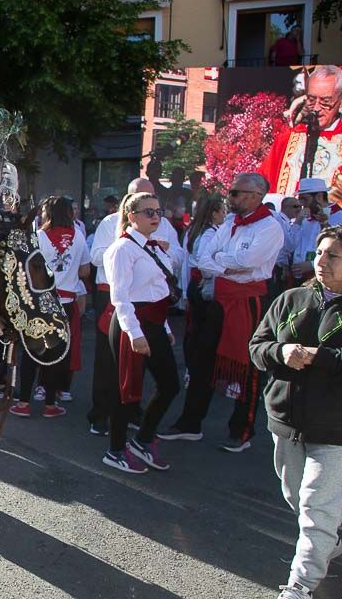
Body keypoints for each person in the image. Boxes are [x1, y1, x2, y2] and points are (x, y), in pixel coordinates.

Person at [250, 225, 342, 599]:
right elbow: (257, 348)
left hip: (334, 430)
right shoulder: (291, 298)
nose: (322, 261)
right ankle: (330, 538)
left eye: (334, 255)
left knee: (314, 507)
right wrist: (281, 351)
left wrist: (319, 358)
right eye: (320, 252)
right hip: (285, 423)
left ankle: (299, 588)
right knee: (297, 498)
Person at [158, 173, 283, 451]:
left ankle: (242, 431)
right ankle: (191, 423)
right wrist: (229, 264)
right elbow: (204, 258)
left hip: (248, 301)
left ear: (255, 195)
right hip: (219, 298)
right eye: (231, 191)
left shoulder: (269, 227)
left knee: (246, 364)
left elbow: (248, 261)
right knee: (202, 360)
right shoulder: (228, 224)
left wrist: (222, 261)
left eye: (236, 192)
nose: (230, 197)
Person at [87, 177, 184, 435]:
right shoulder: (112, 228)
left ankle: (133, 417)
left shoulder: (159, 228)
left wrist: (156, 249)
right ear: (129, 202)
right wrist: (131, 248)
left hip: (150, 308)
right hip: (116, 297)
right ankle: (101, 415)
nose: (154, 213)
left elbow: (175, 258)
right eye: (144, 202)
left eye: (156, 206)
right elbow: (98, 258)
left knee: (144, 373)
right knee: (111, 364)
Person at [100, 192, 181, 474]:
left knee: (170, 384)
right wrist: (135, 333)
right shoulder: (122, 249)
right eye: (149, 212)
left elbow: (157, 291)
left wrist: (165, 327)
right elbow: (120, 297)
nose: (156, 217)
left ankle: (143, 438)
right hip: (131, 323)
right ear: (132, 216)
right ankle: (116, 449)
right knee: (127, 390)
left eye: (159, 211)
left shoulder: (152, 247)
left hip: (154, 322)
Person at [10, 197, 89, 419]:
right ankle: (50, 404)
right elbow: (85, 272)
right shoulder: (80, 237)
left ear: (49, 213)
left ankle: (24, 402)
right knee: (57, 356)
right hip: (66, 304)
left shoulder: (39, 237)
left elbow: (26, 269)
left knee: (31, 353)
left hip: (40, 303)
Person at [260, 65, 342, 198]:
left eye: (325, 101)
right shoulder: (287, 140)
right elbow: (262, 184)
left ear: (340, 101)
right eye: (311, 99)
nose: (316, 108)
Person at [181, 194, 226, 373]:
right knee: (201, 330)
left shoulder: (199, 229)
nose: (224, 214)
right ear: (214, 213)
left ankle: (194, 368)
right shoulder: (208, 232)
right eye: (222, 211)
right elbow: (204, 262)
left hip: (196, 283)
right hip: (202, 284)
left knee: (196, 327)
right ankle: (196, 369)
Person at [285, 178, 334, 288]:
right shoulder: (304, 219)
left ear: (319, 197)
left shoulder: (338, 215)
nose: (301, 204)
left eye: (304, 199)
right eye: (300, 199)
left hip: (324, 278)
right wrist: (297, 221)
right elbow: (289, 246)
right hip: (298, 279)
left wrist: (312, 264)